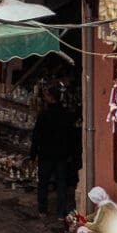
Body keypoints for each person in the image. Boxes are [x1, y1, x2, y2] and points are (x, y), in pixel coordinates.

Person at [30, 84, 79, 221]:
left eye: (46, 95)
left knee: (43, 183)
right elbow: (71, 136)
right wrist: (71, 154)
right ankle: (60, 213)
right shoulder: (66, 114)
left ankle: (43, 209)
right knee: (61, 184)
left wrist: (33, 154)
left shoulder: (44, 115)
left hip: (46, 154)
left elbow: (37, 135)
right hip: (62, 155)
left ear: (50, 98)